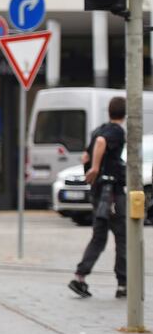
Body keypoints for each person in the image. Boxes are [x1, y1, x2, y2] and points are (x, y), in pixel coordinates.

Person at [69, 96, 127, 299]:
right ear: (124, 113)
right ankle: (123, 284)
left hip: (98, 192)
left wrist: (93, 170)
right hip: (112, 193)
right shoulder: (115, 131)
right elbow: (101, 144)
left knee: (99, 237)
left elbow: (85, 155)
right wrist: (95, 167)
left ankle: (80, 277)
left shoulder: (98, 130)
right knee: (123, 237)